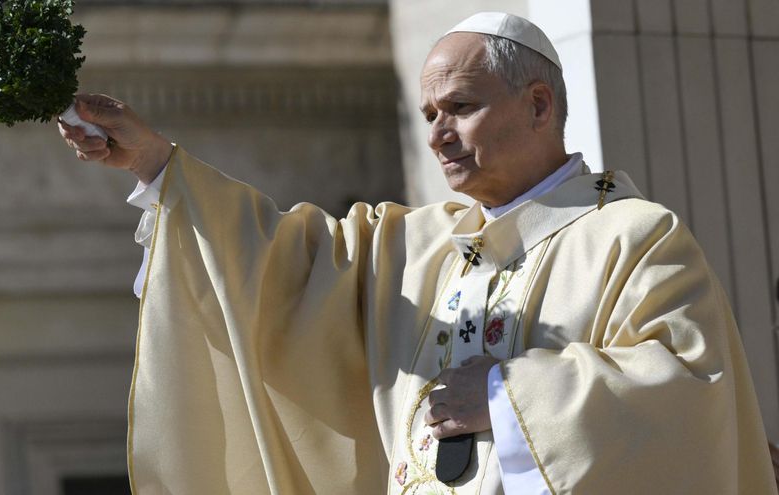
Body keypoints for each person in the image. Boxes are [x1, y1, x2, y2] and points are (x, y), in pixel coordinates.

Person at [59, 12, 777, 495]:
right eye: (430, 114)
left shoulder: (632, 236)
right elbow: (275, 268)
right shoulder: (408, 245)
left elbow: (688, 392)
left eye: (460, 106)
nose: (437, 133)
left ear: (538, 105)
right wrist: (156, 164)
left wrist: (506, 396)